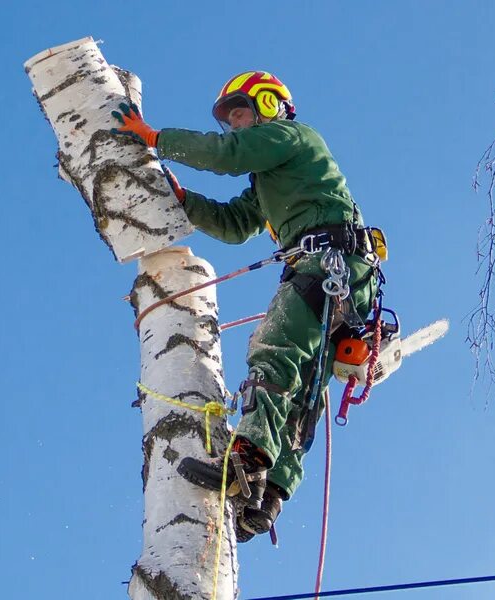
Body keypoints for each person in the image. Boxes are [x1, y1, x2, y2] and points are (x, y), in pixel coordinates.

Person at [111, 71, 383, 542]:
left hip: (327, 263)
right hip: (341, 272)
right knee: (301, 390)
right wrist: (184, 200)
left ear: (269, 104)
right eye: (230, 119)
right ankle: (270, 493)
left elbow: (228, 157)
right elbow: (236, 224)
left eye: (240, 113)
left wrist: (156, 138)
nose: (235, 125)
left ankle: (248, 457)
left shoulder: (289, 136)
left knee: (273, 347)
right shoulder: (269, 177)